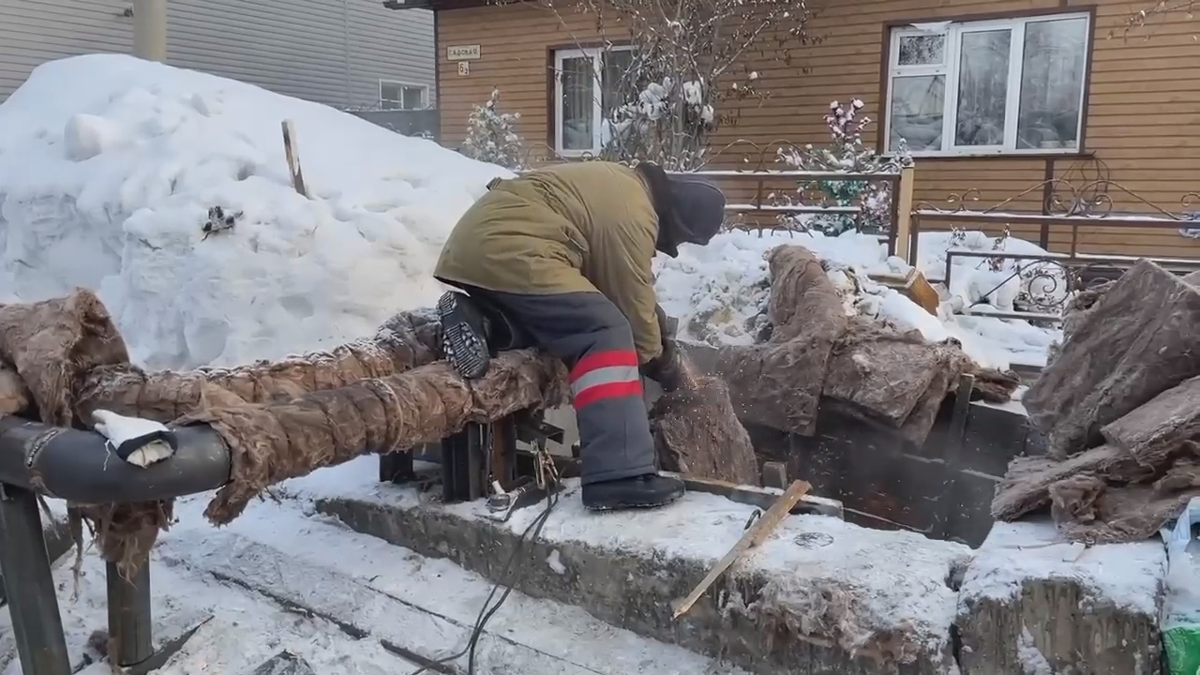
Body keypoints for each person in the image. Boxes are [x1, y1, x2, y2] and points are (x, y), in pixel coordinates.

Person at [433, 160, 726, 512]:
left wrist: (658, 334)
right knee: (605, 332)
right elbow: (631, 310)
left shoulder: (622, 187)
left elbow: (624, 292)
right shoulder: (635, 214)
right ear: (675, 221)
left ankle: (487, 320)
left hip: (485, 248)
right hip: (518, 250)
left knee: (565, 321)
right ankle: (617, 474)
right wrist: (662, 363)